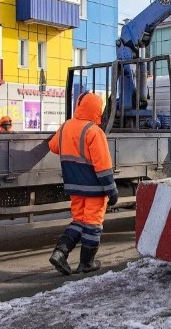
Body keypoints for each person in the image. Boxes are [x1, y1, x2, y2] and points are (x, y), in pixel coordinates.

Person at [47, 92, 118, 275]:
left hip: (74, 186)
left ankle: (59, 253)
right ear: (97, 110)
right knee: (93, 224)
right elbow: (103, 166)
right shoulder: (94, 131)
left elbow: (53, 146)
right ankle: (86, 263)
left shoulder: (66, 126)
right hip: (94, 188)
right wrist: (112, 191)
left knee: (78, 221)